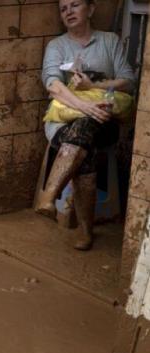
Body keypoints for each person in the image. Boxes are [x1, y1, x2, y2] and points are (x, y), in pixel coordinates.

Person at [37, 0, 135, 250]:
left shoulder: (109, 41)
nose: (68, 12)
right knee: (83, 133)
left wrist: (93, 88)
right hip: (64, 122)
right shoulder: (57, 45)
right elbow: (52, 85)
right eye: (63, 8)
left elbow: (127, 81)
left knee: (87, 128)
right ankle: (85, 231)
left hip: (105, 121)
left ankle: (50, 195)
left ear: (90, 10)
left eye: (75, 5)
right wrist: (84, 106)